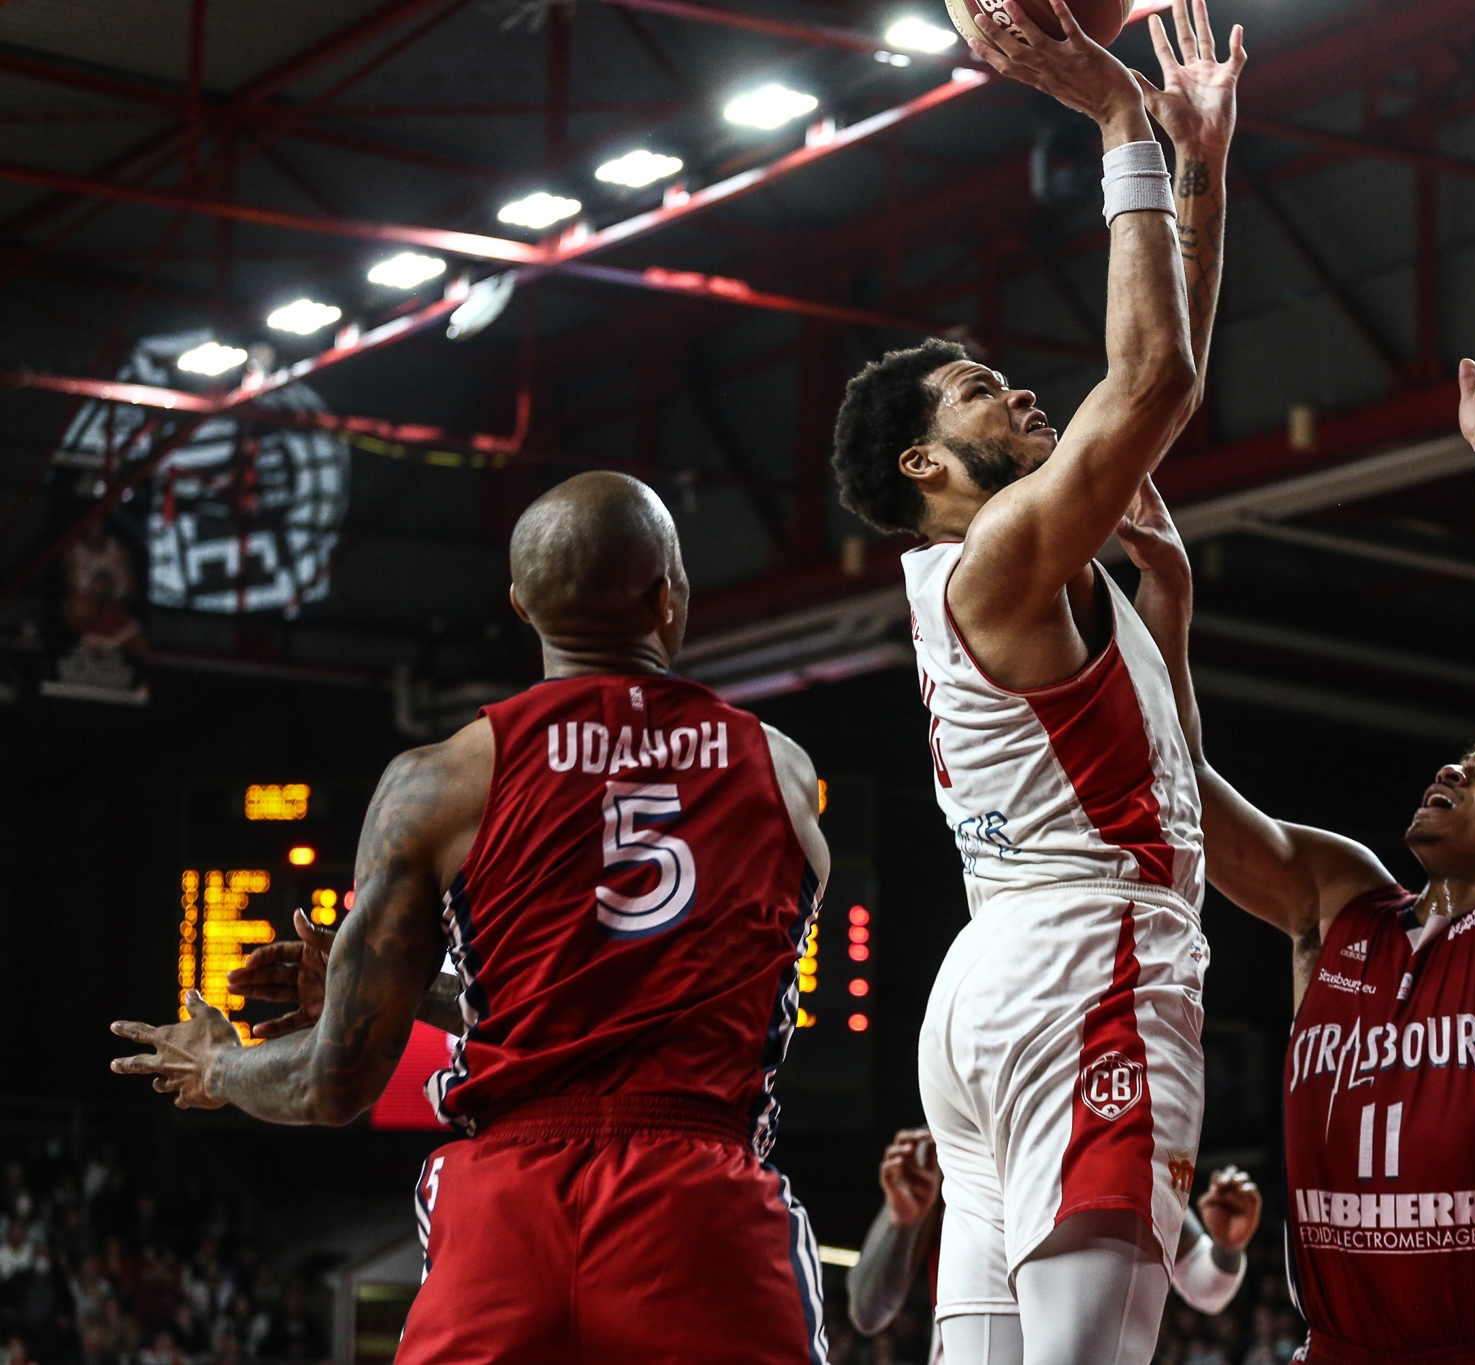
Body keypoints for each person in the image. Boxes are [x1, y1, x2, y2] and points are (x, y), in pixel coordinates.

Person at [108, 471, 833, 1364]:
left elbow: (335, 1087)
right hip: (702, 1208)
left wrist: (223, 1061)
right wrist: (415, 989)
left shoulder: (438, 779)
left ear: (522, 606)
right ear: (670, 597)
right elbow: (633, 998)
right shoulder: (783, 770)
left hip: (508, 1216)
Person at [828, 1, 1244, 1362]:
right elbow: (1158, 380)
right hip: (1086, 967)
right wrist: (1122, 117)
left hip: (1000, 989)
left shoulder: (1032, 581)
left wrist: (1201, 173)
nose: (1015, 397)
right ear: (923, 471)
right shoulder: (1000, 552)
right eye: (977, 393)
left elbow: (1163, 768)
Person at [1117, 294, 1475, 1365]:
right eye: (1459, 761)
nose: (1453, 768)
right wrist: (1164, 599)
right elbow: (1178, 790)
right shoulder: (1339, 901)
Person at [847, 1129, 1264, 1356]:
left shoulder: (1118, 1138)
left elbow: (1207, 1289)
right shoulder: (953, 1144)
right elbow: (867, 1311)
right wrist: (904, 1222)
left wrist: (1227, 1248)